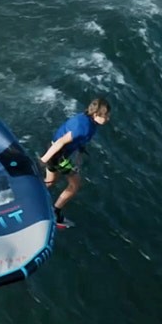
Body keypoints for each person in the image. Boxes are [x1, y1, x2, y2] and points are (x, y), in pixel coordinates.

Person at [38, 96, 110, 227]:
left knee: (50, 182)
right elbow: (61, 142)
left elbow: (79, 141)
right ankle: (56, 212)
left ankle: (31, 195)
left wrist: (78, 157)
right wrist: (43, 160)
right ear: (95, 114)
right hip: (57, 155)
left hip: (55, 152)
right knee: (75, 185)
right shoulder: (83, 127)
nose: (107, 119)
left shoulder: (89, 121)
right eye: (105, 116)